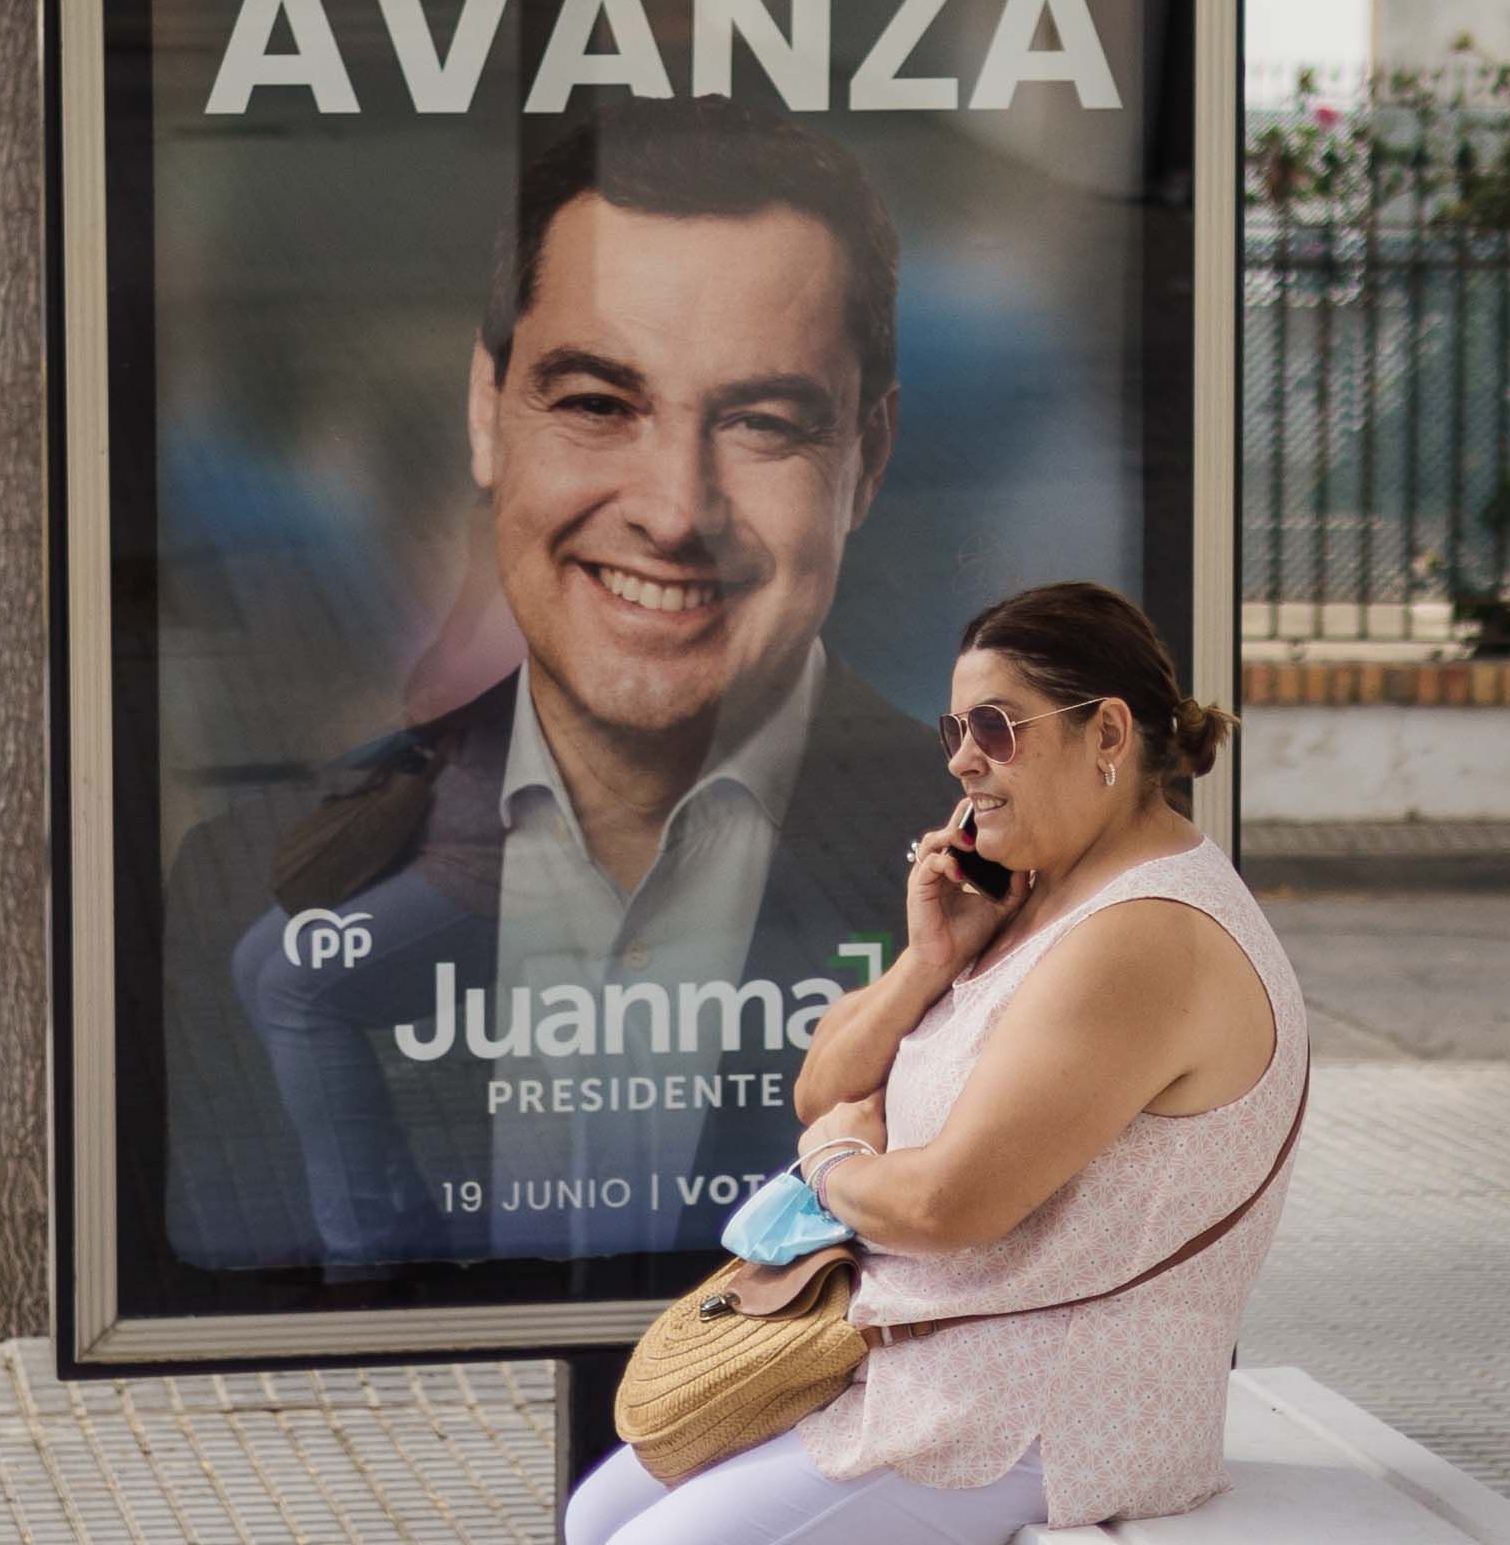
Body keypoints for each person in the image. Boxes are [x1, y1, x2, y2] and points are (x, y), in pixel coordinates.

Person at [505, 581, 1307, 1545]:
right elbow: (829, 1082)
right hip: (945, 1355)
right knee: (609, 1514)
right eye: (955, 731)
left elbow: (945, 1199)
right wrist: (933, 961)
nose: (964, 765)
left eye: (995, 729)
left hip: (1057, 1394)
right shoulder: (1042, 900)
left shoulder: (1143, 940)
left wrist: (837, 1177)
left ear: (1109, 735)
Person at [164, 104, 956, 1274]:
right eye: (596, 404)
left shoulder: (1018, 892)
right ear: (488, 415)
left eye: (763, 421)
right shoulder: (240, 895)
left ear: (868, 462)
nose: (674, 511)